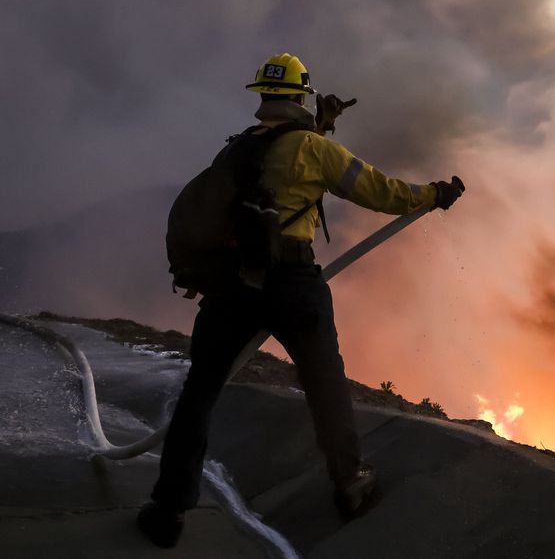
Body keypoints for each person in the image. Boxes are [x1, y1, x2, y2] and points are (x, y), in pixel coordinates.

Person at [138, 53, 463, 548]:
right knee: (324, 382)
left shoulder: (237, 151)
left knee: (200, 391)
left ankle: (167, 509)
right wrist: (434, 193)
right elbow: (382, 192)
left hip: (232, 286)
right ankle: (351, 483)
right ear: (301, 96)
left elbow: (278, 168)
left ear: (263, 98)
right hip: (292, 282)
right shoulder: (312, 150)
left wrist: (322, 126)